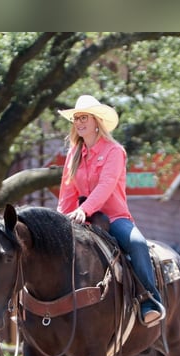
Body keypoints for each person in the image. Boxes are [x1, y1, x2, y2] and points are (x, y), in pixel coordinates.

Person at [57, 94, 165, 327]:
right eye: (76, 118)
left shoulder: (115, 151)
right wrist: (59, 222)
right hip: (80, 221)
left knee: (137, 244)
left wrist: (84, 210)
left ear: (97, 121)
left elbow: (106, 186)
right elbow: (67, 193)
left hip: (113, 218)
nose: (79, 122)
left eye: (84, 117)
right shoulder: (73, 154)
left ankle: (149, 300)